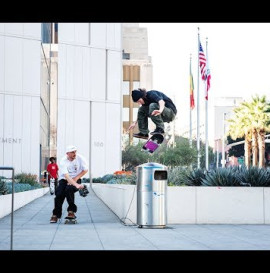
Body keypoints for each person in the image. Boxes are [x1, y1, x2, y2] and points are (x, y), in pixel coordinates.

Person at [50, 145, 88, 223]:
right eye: (72, 152)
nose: (74, 153)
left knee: (69, 189)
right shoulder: (63, 161)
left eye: (75, 151)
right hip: (64, 179)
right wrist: (76, 185)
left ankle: (71, 211)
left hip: (76, 178)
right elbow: (66, 176)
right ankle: (56, 215)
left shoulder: (80, 158)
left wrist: (76, 179)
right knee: (59, 193)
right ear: (67, 153)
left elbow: (85, 170)